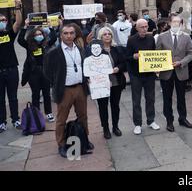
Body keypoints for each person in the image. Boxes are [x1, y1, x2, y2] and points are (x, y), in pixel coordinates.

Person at [44, 23, 94, 158]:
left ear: (74, 34)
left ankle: (84, 140)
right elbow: (47, 72)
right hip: (65, 90)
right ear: (61, 35)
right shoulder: (54, 52)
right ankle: (61, 144)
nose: (69, 35)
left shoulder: (79, 48)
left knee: (83, 116)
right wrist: (57, 83)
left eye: (71, 33)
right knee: (61, 119)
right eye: (65, 33)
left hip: (80, 88)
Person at [156, 14, 192, 132]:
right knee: (167, 98)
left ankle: (182, 118)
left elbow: (191, 53)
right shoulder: (161, 37)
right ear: (169, 23)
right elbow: (157, 53)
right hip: (166, 72)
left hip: (181, 71)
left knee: (181, 97)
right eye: (174, 22)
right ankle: (169, 121)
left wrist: (181, 62)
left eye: (179, 22)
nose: (176, 24)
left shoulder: (186, 37)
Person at [126, 19, 160, 135]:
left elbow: (154, 54)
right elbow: (127, 57)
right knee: (136, 100)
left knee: (150, 98)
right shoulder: (131, 40)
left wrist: (157, 66)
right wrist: (134, 56)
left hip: (149, 74)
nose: (145, 29)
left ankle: (151, 120)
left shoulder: (151, 38)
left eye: (146, 27)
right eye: (142, 27)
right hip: (136, 75)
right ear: (137, 28)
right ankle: (137, 124)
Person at [18, 20, 57, 122]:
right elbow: (20, 40)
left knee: (46, 94)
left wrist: (50, 27)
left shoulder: (46, 44)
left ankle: (49, 113)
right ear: (32, 36)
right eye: (36, 35)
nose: (39, 36)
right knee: (35, 94)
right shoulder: (29, 45)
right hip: (33, 73)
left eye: (40, 34)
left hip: (45, 72)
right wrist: (25, 27)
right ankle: (37, 114)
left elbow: (54, 38)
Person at [96, 27, 127, 138]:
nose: (107, 35)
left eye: (109, 34)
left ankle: (115, 127)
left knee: (115, 105)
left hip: (116, 82)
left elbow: (124, 63)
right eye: (105, 34)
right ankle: (105, 128)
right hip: (101, 83)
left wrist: (118, 68)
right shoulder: (96, 51)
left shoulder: (117, 49)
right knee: (103, 107)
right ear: (100, 37)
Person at [0, 0, 23, 133]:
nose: (2, 22)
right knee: (0, 99)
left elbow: (18, 23)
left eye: (3, 20)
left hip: (12, 70)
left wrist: (18, 8)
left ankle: (15, 119)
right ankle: (2, 122)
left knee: (13, 97)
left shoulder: (9, 33)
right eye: (0, 20)